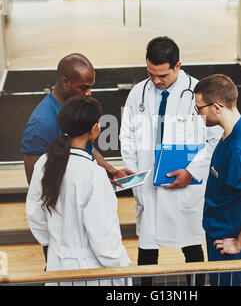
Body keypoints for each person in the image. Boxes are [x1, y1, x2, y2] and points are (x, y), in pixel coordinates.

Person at [120, 36, 223, 285]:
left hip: (184, 186)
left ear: (178, 66)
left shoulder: (199, 94)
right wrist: (135, 177)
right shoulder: (138, 93)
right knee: (146, 251)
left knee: (192, 248)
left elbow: (216, 140)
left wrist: (192, 171)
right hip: (148, 185)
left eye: (162, 75)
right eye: (150, 73)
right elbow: (127, 137)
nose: (155, 80)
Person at [26, 96, 131, 286]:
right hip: (92, 271)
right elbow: (104, 237)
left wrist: (55, 245)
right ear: (94, 129)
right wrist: (123, 268)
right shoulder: (93, 174)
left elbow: (35, 215)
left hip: (57, 265)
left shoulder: (44, 162)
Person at [194, 74, 241, 286]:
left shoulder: (239, 150)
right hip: (220, 235)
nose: (198, 114)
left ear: (217, 107)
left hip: (228, 245)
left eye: (199, 109)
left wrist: (238, 244)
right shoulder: (240, 127)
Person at [21, 52, 133, 185]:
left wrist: (112, 172)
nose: (89, 93)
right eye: (83, 87)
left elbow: (86, 147)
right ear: (65, 82)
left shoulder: (76, 107)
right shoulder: (39, 125)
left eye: (90, 87)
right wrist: (91, 183)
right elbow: (36, 184)